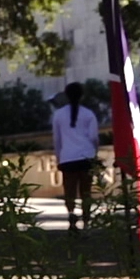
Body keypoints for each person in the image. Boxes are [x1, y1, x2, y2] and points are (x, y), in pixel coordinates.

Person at [50, 81, 101, 232]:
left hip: (68, 158)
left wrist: (59, 157)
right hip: (86, 157)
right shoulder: (89, 114)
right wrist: (95, 153)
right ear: (82, 95)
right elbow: (94, 137)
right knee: (86, 192)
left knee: (70, 191)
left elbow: (57, 139)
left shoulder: (58, 115)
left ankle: (71, 216)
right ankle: (86, 222)